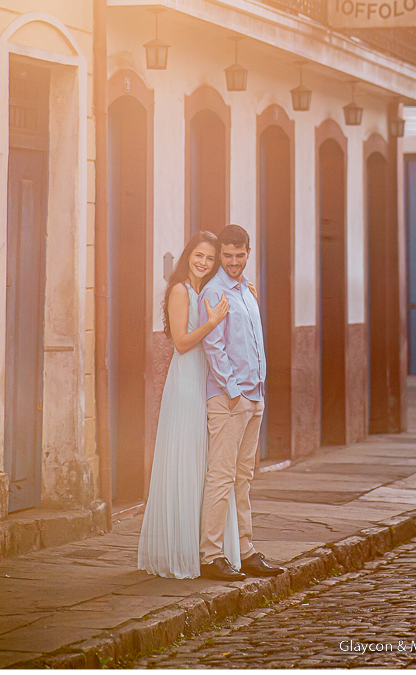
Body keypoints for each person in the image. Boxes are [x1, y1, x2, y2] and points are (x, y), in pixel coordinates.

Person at [138, 231, 242, 578]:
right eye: (199, 255)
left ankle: (207, 547)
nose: (204, 262)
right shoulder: (180, 290)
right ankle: (180, 550)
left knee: (207, 462)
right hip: (186, 380)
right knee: (186, 459)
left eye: (210, 259)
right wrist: (211, 323)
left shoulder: (207, 290)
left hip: (207, 379)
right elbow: (181, 343)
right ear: (188, 256)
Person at [198, 224, 285, 581]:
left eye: (239, 256)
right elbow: (214, 348)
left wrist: (256, 392)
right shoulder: (215, 292)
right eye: (227, 256)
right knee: (221, 477)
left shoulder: (247, 291)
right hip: (229, 399)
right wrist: (233, 392)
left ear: (248, 253)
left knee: (243, 478)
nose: (233, 262)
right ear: (220, 255)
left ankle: (245, 550)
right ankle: (210, 554)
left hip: (255, 395)